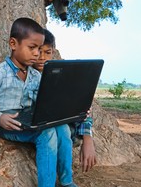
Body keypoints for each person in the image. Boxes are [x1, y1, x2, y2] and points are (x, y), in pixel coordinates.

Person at [0, 17, 91, 187]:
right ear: (13, 44)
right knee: (46, 133)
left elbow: (44, 102)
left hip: (29, 120)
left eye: (40, 49)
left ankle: (65, 181)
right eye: (32, 48)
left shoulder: (35, 77)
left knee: (62, 129)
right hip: (6, 123)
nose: (37, 54)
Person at [32, 29, 97, 173]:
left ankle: (66, 179)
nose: (42, 57)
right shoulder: (26, 76)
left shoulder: (63, 78)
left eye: (47, 52)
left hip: (67, 131)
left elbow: (82, 108)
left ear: (53, 52)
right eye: (38, 51)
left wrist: (87, 138)